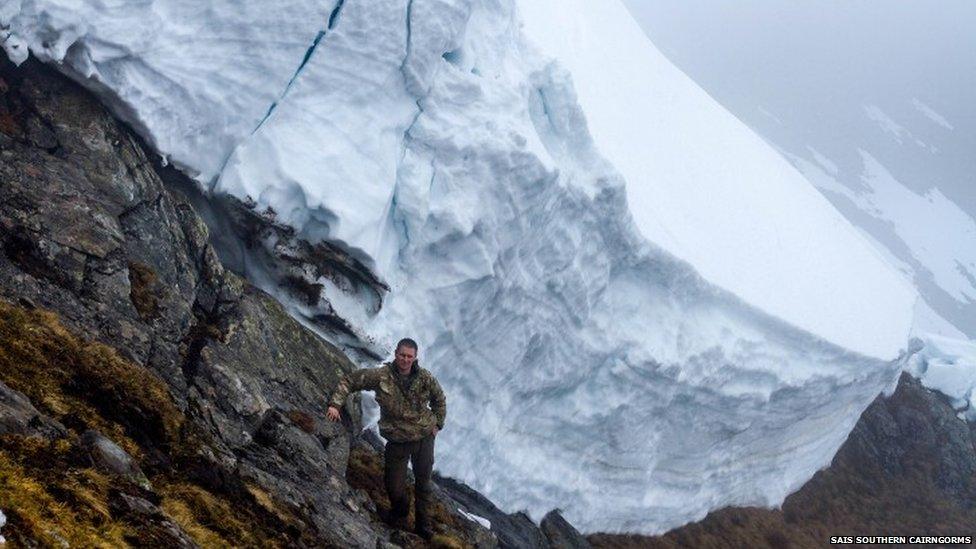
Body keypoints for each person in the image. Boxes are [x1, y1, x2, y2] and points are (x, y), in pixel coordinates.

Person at [327, 338, 446, 539]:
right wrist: (335, 404)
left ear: (415, 357)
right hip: (397, 440)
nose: (405, 359)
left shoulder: (425, 378)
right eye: (402, 355)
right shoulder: (381, 376)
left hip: (423, 438)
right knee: (393, 486)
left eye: (410, 356)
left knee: (423, 484)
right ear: (396, 354)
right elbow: (351, 380)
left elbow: (439, 399)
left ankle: (423, 527)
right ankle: (400, 512)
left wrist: (437, 425)